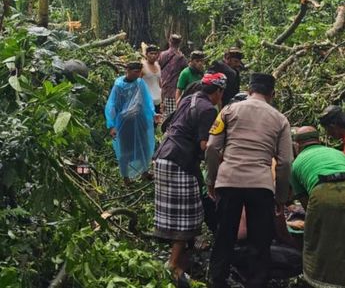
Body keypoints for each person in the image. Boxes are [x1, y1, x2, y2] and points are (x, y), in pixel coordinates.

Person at [206, 73, 293, 288]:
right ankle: (256, 282)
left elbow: (211, 148)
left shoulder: (228, 110)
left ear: (249, 89)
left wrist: (212, 179)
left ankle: (217, 280)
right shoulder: (280, 119)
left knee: (224, 234)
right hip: (260, 185)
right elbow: (285, 163)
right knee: (260, 240)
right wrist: (281, 197)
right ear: (271, 94)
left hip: (228, 181)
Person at [153, 73, 227, 288]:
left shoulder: (189, 99)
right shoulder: (208, 109)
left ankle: (182, 259)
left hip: (163, 157)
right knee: (186, 216)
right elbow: (206, 146)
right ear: (218, 92)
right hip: (180, 161)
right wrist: (226, 160)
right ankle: (173, 266)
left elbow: (170, 126)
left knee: (175, 212)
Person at [290, 126, 345, 288]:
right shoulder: (337, 153)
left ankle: (322, 282)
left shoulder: (296, 164)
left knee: (318, 238)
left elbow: (307, 206)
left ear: (297, 145)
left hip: (323, 191)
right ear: (319, 140)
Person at [105, 62, 157, 186]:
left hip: (140, 120)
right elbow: (112, 105)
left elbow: (146, 99)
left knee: (143, 147)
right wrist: (112, 125)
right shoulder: (119, 85)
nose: (138, 74)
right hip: (125, 123)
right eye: (135, 71)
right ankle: (126, 177)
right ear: (127, 70)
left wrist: (153, 113)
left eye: (139, 72)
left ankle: (145, 172)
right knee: (125, 151)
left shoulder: (140, 83)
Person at [159, 34, 187, 119]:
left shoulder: (162, 55)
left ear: (169, 42)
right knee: (174, 117)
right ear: (179, 43)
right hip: (176, 92)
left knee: (165, 117)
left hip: (163, 90)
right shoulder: (181, 57)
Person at [141, 45, 161, 117]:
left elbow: (159, 82)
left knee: (155, 123)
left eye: (155, 54)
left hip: (157, 100)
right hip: (146, 100)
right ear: (146, 54)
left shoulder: (158, 65)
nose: (153, 56)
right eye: (151, 53)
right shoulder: (142, 66)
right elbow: (138, 83)